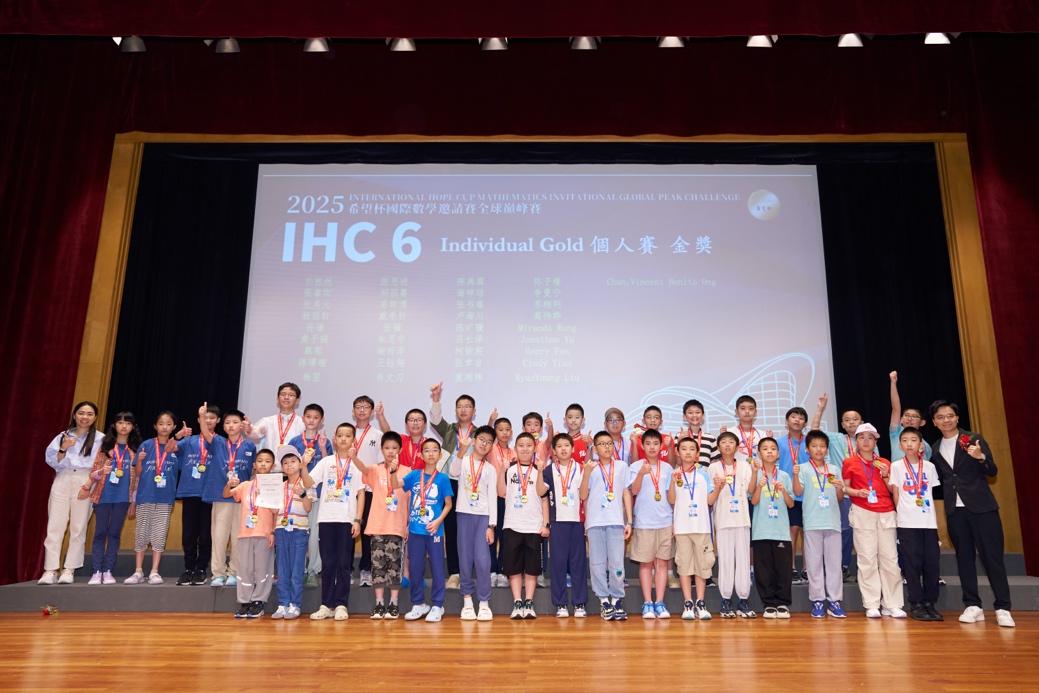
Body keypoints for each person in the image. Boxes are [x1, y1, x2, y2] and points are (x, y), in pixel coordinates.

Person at [929, 399, 1015, 628]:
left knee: (992, 558)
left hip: (982, 508)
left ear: (957, 418)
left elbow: (992, 470)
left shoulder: (973, 439)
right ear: (934, 422)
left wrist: (981, 457)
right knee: (964, 558)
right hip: (954, 511)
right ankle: (972, 605)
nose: (946, 420)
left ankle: (1003, 607)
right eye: (940, 417)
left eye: (950, 416)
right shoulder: (935, 449)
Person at [302, 422, 365, 621]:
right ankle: (326, 604)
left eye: (348, 435)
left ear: (353, 440)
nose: (344, 439)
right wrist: (303, 465)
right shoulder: (326, 462)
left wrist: (357, 520)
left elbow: (361, 494)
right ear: (334, 439)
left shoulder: (357, 464)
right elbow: (308, 483)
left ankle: (341, 604)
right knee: (328, 563)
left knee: (344, 564)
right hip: (326, 519)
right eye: (340, 435)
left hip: (347, 520)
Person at [843, 423, 905, 618]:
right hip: (862, 511)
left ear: (876, 441)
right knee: (867, 558)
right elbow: (845, 488)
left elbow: (893, 489)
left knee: (890, 559)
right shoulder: (850, 462)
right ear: (856, 441)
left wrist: (886, 475)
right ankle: (871, 603)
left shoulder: (885, 463)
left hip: (886, 512)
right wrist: (857, 492)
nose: (866, 441)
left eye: (870, 438)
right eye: (862, 437)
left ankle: (892, 604)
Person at [39, 401, 103, 585]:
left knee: (78, 527)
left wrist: (88, 485)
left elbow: (102, 464)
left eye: (89, 414)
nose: (85, 417)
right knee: (55, 526)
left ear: (95, 417)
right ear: (75, 415)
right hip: (63, 478)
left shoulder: (100, 438)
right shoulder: (63, 436)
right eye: (81, 413)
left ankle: (69, 569)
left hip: (86, 480)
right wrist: (64, 447)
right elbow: (52, 461)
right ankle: (50, 570)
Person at [79, 411, 141, 584]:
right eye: (120, 422)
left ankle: (107, 571)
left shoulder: (135, 450)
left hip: (123, 499)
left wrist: (134, 501)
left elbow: (137, 479)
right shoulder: (104, 447)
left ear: (132, 427)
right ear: (114, 425)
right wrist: (101, 471)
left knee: (114, 534)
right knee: (100, 533)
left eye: (128, 423)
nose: (124, 426)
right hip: (103, 496)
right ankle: (96, 571)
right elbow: (93, 473)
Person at [888, 427, 943, 621]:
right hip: (907, 522)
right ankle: (916, 604)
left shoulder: (929, 467)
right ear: (900, 445)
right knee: (912, 564)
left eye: (913, 440)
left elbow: (930, 494)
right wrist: (900, 517)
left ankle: (930, 603)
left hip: (928, 522)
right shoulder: (896, 466)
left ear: (921, 445)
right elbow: (896, 494)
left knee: (931, 564)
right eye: (905, 440)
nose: (909, 444)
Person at [397, 438, 454, 622]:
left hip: (435, 531)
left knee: (437, 569)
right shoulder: (414, 475)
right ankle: (418, 604)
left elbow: (448, 504)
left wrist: (438, 521)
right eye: (427, 450)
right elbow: (396, 484)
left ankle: (438, 605)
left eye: (434, 450)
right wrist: (392, 470)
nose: (430, 453)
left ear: (440, 455)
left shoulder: (443, 478)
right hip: (415, 531)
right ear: (421, 455)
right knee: (415, 568)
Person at [200, 404, 256, 587]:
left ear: (242, 425)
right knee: (219, 537)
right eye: (228, 423)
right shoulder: (217, 442)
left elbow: (253, 471)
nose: (231, 425)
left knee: (238, 537)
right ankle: (218, 573)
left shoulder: (249, 446)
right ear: (223, 426)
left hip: (241, 499)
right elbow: (206, 432)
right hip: (221, 497)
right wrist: (202, 416)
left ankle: (234, 572)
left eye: (235, 422)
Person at [793, 430, 847, 618]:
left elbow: (839, 498)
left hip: (832, 522)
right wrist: (795, 475)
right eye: (814, 446)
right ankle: (817, 600)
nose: (819, 449)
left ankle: (834, 601)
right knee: (814, 564)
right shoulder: (803, 468)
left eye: (822, 446)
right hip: (812, 522)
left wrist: (840, 488)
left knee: (834, 564)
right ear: (807, 449)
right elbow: (797, 492)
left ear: (827, 449)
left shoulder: (834, 469)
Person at [581, 430, 633, 621]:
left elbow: (626, 492)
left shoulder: (621, 466)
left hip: (616, 521)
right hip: (595, 522)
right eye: (602, 444)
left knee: (617, 563)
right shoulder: (590, 467)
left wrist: (629, 521)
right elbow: (583, 495)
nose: (606, 447)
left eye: (609, 443)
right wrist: (586, 473)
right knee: (597, 563)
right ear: (595, 448)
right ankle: (604, 600)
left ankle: (617, 599)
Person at [358, 431, 410, 620]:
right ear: (381, 449)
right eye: (387, 448)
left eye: (394, 448)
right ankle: (379, 603)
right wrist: (353, 456)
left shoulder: (407, 471)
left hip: (396, 526)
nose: (390, 451)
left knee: (394, 567)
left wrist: (407, 525)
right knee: (378, 567)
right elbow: (363, 469)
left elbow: (408, 498)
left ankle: (393, 603)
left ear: (400, 450)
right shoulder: (375, 469)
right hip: (377, 525)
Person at [125, 411, 180, 585]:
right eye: (161, 423)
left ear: (174, 427)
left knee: (159, 534)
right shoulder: (147, 445)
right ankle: (138, 571)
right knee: (141, 534)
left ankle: (154, 571)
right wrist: (140, 461)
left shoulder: (176, 448)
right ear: (155, 426)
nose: (164, 427)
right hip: (145, 496)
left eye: (168, 424)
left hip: (165, 498)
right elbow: (138, 473)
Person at [498, 432, 550, 619]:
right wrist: (501, 471)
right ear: (515, 448)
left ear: (534, 448)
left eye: (529, 445)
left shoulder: (539, 469)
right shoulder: (510, 469)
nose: (525, 449)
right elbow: (501, 492)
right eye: (521, 445)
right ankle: (517, 602)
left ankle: (529, 601)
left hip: (534, 527)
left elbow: (543, 496)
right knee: (513, 568)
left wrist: (545, 524)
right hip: (512, 525)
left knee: (532, 568)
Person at [449, 425, 497, 621]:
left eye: (489, 442)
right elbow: (453, 471)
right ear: (475, 441)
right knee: (465, 559)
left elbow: (492, 497)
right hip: (464, 514)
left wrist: (491, 525)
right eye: (482, 440)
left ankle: (484, 602)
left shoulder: (490, 469)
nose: (484, 444)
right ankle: (467, 601)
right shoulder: (463, 461)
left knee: (483, 561)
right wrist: (462, 449)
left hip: (483, 517)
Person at [429, 382, 474, 590]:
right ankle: (454, 573)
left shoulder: (479, 433)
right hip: (449, 483)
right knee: (452, 528)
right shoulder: (449, 429)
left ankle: (469, 571)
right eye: (460, 406)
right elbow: (435, 419)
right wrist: (436, 399)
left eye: (467, 406)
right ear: (456, 410)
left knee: (470, 530)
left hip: (471, 485)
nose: (463, 410)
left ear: (474, 411)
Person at [810, 393, 860, 581]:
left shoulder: (868, 440)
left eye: (855, 419)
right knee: (845, 531)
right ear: (842, 424)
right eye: (847, 420)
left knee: (862, 533)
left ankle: (864, 569)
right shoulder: (837, 439)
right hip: (844, 493)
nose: (851, 422)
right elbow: (815, 431)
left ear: (861, 422)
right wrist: (820, 408)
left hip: (863, 494)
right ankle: (843, 566)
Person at [538, 433, 587, 618]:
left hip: (577, 522)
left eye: (567, 445)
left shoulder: (581, 468)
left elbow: (584, 495)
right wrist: (539, 472)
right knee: (558, 564)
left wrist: (588, 473)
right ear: (554, 451)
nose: (563, 449)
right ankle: (561, 604)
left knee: (578, 563)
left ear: (573, 449)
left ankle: (580, 603)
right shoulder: (549, 470)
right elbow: (541, 492)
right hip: (557, 522)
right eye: (559, 446)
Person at [627, 429, 675, 619]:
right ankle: (647, 603)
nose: (652, 447)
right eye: (648, 444)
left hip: (665, 521)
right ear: (643, 446)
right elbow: (633, 491)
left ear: (661, 446)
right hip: (644, 522)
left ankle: (660, 602)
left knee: (662, 563)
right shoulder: (636, 466)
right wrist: (641, 474)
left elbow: (671, 496)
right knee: (646, 564)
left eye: (656, 443)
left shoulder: (668, 468)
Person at [708, 431, 756, 618]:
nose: (727, 445)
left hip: (742, 519)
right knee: (726, 560)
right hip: (723, 519)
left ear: (736, 446)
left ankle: (743, 599)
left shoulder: (744, 466)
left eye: (731, 442)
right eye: (723, 442)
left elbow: (751, 491)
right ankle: (726, 599)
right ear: (718, 446)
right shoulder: (713, 467)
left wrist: (756, 472)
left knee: (743, 560)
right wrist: (718, 487)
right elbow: (711, 496)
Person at [225, 448, 277, 618]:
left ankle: (258, 601)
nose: (263, 464)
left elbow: (277, 512)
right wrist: (229, 484)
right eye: (260, 461)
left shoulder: (275, 486)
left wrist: (273, 532)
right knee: (245, 569)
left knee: (262, 569)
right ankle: (244, 601)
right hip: (245, 533)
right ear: (254, 465)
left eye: (267, 461)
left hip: (264, 533)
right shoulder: (246, 485)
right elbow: (226, 494)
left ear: (273, 465)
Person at [288, 403, 334, 589]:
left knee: (314, 534)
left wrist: (322, 448)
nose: (312, 420)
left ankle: (313, 570)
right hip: (298, 492)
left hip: (319, 492)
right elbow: (288, 466)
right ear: (303, 418)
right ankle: (296, 569)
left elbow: (329, 465)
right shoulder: (294, 442)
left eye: (316, 418)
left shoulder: (325, 441)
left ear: (321, 421)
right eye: (308, 417)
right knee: (298, 530)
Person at [668, 437, 714, 620]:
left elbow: (710, 500)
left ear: (697, 454)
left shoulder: (704, 474)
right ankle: (688, 603)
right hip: (682, 528)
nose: (687, 452)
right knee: (684, 566)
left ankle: (701, 602)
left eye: (691, 449)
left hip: (702, 527)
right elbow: (671, 500)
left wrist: (718, 488)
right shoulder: (675, 474)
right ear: (678, 452)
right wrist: (672, 482)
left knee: (702, 566)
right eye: (684, 448)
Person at [174, 404, 219, 586]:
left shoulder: (220, 442)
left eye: (211, 418)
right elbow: (168, 449)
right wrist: (178, 436)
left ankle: (201, 569)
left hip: (210, 493)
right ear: (199, 419)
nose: (208, 421)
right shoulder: (188, 441)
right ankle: (188, 568)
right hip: (190, 491)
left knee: (206, 534)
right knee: (188, 534)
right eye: (204, 418)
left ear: (218, 420)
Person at [750, 437, 795, 618]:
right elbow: (753, 501)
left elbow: (791, 504)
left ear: (778, 453)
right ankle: (769, 604)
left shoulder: (784, 475)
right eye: (765, 448)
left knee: (783, 569)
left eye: (773, 448)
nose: (769, 451)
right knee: (763, 570)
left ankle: (782, 603)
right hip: (761, 531)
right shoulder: (756, 474)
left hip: (781, 531)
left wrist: (783, 491)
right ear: (759, 453)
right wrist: (759, 486)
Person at [271, 446, 315, 619]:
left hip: (299, 530)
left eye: (293, 461)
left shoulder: (307, 483)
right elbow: (274, 511)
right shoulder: (278, 487)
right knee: (282, 569)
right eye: (285, 463)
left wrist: (303, 494)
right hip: (281, 530)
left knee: (297, 569)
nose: (289, 465)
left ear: (300, 463)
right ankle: (282, 604)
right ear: (282, 467)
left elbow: (308, 508)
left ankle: (295, 604)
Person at [350, 395, 383, 587]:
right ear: (353, 410)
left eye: (365, 407)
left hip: (370, 488)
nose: (361, 410)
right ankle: (346, 569)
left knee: (367, 531)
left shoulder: (377, 435)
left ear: (371, 412)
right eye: (358, 407)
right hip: (348, 489)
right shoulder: (346, 432)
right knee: (348, 528)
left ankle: (366, 569)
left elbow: (380, 463)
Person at [775, 406, 809, 585]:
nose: (797, 420)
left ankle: (807, 569)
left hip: (808, 493)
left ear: (805, 423)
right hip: (788, 494)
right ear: (787, 421)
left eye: (801, 418)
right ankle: (792, 568)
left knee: (807, 531)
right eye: (794, 417)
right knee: (792, 530)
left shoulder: (810, 442)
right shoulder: (779, 443)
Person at [487, 416, 515, 587]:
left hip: (509, 501)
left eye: (507, 429)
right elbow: (485, 437)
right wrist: (490, 422)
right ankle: (492, 570)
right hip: (493, 499)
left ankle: (503, 571)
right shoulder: (491, 450)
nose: (504, 432)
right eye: (500, 429)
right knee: (492, 535)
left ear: (511, 432)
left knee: (506, 537)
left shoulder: (514, 452)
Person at [245, 382, 304, 453]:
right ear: (277, 398)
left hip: (293, 460)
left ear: (297, 400)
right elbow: (255, 433)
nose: (286, 397)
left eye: (291, 395)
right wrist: (249, 429)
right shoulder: (267, 421)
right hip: (272, 460)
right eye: (283, 394)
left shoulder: (302, 423)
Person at [888, 371, 933, 461]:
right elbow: (896, 408)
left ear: (922, 422)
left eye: (915, 416)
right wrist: (893, 382)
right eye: (907, 415)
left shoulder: (926, 446)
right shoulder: (896, 432)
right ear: (901, 420)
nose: (910, 419)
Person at [676, 399, 717, 467]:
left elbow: (715, 462)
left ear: (703, 416)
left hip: (705, 473)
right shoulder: (679, 436)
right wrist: (680, 441)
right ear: (684, 417)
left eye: (697, 412)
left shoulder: (710, 438)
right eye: (690, 413)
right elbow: (678, 462)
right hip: (686, 473)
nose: (694, 415)